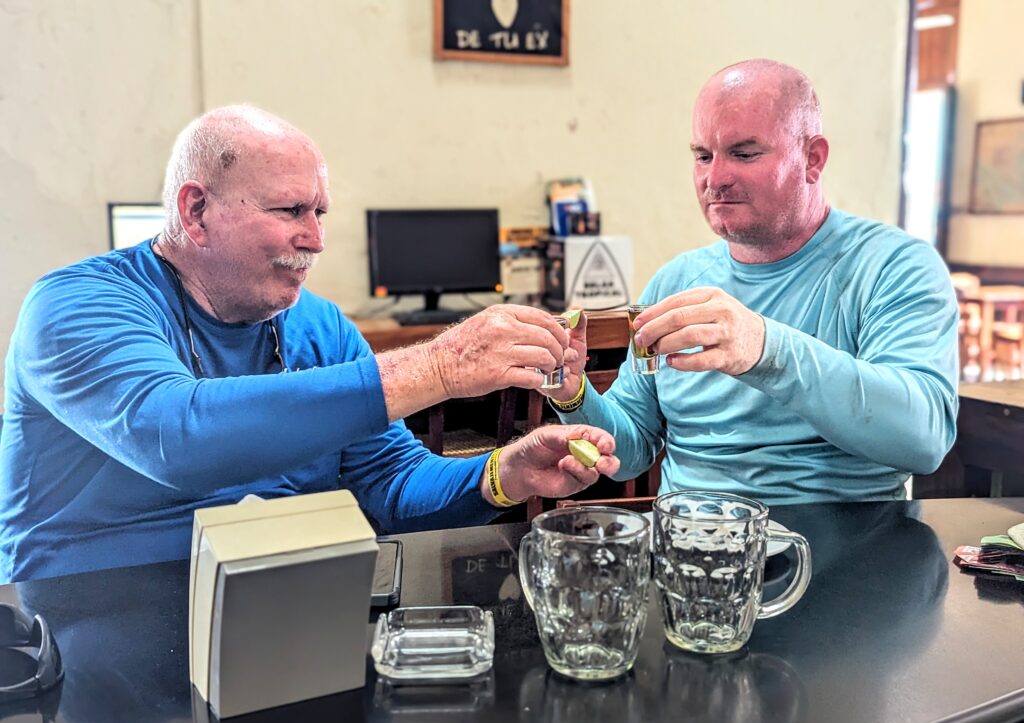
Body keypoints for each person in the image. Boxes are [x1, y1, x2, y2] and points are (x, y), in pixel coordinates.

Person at [0, 105, 620, 583]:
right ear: (195, 212)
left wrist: (503, 476)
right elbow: (174, 435)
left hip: (286, 604)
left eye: (320, 212)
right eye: (291, 210)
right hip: (94, 631)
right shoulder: (75, 306)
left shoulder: (320, 326)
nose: (315, 239)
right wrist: (441, 365)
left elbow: (393, 484)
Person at [545, 58, 959, 505]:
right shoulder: (676, 281)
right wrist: (574, 395)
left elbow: (924, 439)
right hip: (692, 550)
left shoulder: (893, 266)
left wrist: (764, 348)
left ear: (812, 159)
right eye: (703, 156)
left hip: (844, 549)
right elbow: (629, 452)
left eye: (744, 154)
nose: (715, 179)